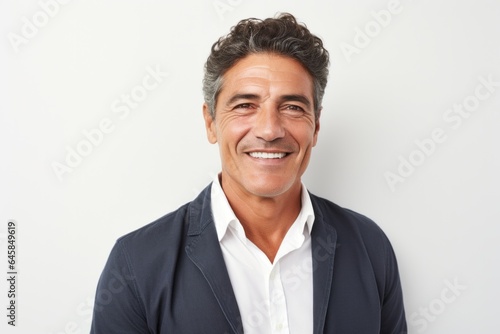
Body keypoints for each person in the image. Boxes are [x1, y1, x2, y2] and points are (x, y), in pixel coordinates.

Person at [90, 13, 407, 334]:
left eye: (293, 107)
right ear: (211, 122)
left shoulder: (370, 248)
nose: (269, 130)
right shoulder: (136, 263)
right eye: (244, 105)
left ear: (316, 126)